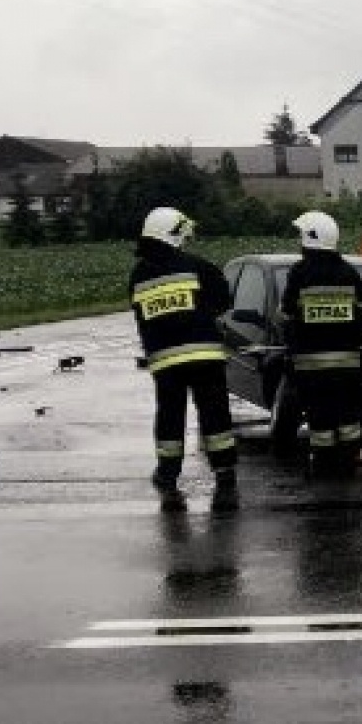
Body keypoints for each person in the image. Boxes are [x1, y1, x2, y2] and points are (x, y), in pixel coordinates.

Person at [128, 207, 239, 512]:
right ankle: (225, 475)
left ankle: (167, 475)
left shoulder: (138, 275)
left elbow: (142, 317)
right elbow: (223, 300)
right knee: (214, 415)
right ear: (173, 234)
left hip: (165, 361)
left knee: (170, 416)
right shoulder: (197, 266)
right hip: (205, 355)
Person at [281, 210, 362, 476]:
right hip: (347, 365)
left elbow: (286, 312)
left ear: (310, 238)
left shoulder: (299, 272)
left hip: (311, 366)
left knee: (320, 417)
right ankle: (350, 460)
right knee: (348, 416)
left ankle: (325, 465)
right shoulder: (348, 272)